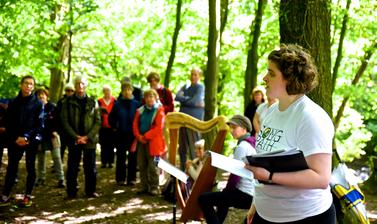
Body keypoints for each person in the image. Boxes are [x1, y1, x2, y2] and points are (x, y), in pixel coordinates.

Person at [245, 44, 336, 223]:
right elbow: (268, 159)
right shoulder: (271, 112)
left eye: (271, 73)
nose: (264, 78)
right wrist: (257, 202)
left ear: (289, 78)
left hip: (305, 217)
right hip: (266, 213)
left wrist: (270, 177)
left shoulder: (311, 118)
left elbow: (321, 178)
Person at [198, 115, 256, 224]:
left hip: (245, 195)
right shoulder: (250, 144)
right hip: (252, 193)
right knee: (223, 199)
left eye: (234, 127)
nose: (231, 130)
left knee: (203, 199)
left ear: (244, 128)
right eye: (231, 127)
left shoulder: (242, 146)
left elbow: (235, 176)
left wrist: (227, 190)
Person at [0, 75, 44, 207]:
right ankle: (5, 194)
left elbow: (40, 125)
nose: (28, 86)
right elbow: (8, 123)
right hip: (15, 140)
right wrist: (16, 138)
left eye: (31, 84)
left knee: (31, 167)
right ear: (21, 84)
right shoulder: (13, 102)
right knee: (12, 167)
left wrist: (26, 137)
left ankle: (28, 195)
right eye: (26, 83)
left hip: (30, 140)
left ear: (33, 86)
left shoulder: (38, 103)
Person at [60, 76, 101, 198]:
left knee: (90, 167)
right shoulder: (67, 102)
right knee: (72, 167)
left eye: (82, 84)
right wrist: (76, 136)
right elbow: (64, 121)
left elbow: (98, 121)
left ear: (86, 85)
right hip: (74, 140)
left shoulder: (93, 102)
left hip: (90, 140)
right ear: (74, 85)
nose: (80, 86)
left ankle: (90, 191)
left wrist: (87, 137)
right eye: (78, 84)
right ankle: (71, 192)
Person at [132, 89, 166, 196]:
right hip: (141, 142)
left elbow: (158, 128)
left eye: (151, 96)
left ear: (155, 98)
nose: (149, 99)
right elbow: (135, 125)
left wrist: (146, 136)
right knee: (142, 165)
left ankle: (154, 187)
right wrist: (139, 136)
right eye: (147, 97)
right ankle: (144, 186)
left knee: (153, 166)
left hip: (154, 143)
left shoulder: (159, 110)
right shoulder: (140, 110)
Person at [109, 82, 139, 186]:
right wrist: (115, 127)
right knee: (121, 157)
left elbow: (139, 119)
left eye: (129, 90)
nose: (127, 92)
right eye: (124, 90)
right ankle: (120, 179)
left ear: (132, 91)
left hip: (133, 135)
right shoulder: (117, 104)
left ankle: (132, 178)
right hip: (120, 135)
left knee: (133, 158)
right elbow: (111, 118)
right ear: (121, 92)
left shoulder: (136, 104)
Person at [175, 67, 205, 170]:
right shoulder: (186, 86)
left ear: (199, 76)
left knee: (194, 147)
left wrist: (185, 100)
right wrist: (189, 100)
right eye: (192, 74)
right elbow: (177, 97)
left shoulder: (200, 87)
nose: (193, 76)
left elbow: (194, 101)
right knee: (182, 148)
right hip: (182, 120)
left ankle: (196, 171)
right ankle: (183, 171)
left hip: (194, 121)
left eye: (195, 74)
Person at [34, 88, 65, 188]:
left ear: (47, 96)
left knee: (57, 157)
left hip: (53, 135)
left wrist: (56, 131)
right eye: (38, 95)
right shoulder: (35, 108)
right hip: (40, 136)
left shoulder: (53, 107)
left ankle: (61, 179)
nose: (41, 96)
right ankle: (41, 178)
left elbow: (59, 121)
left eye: (42, 94)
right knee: (41, 158)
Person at [98, 85, 116, 168]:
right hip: (102, 127)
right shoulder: (99, 101)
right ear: (103, 92)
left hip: (112, 127)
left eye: (108, 91)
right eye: (105, 91)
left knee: (111, 145)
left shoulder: (115, 101)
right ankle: (104, 161)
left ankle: (111, 162)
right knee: (103, 145)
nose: (107, 93)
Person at [56, 83, 75, 162]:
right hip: (62, 128)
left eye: (71, 91)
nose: (69, 92)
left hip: (73, 129)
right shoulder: (61, 101)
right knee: (61, 147)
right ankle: (58, 164)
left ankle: (73, 164)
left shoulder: (75, 101)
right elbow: (57, 114)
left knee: (73, 148)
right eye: (67, 90)